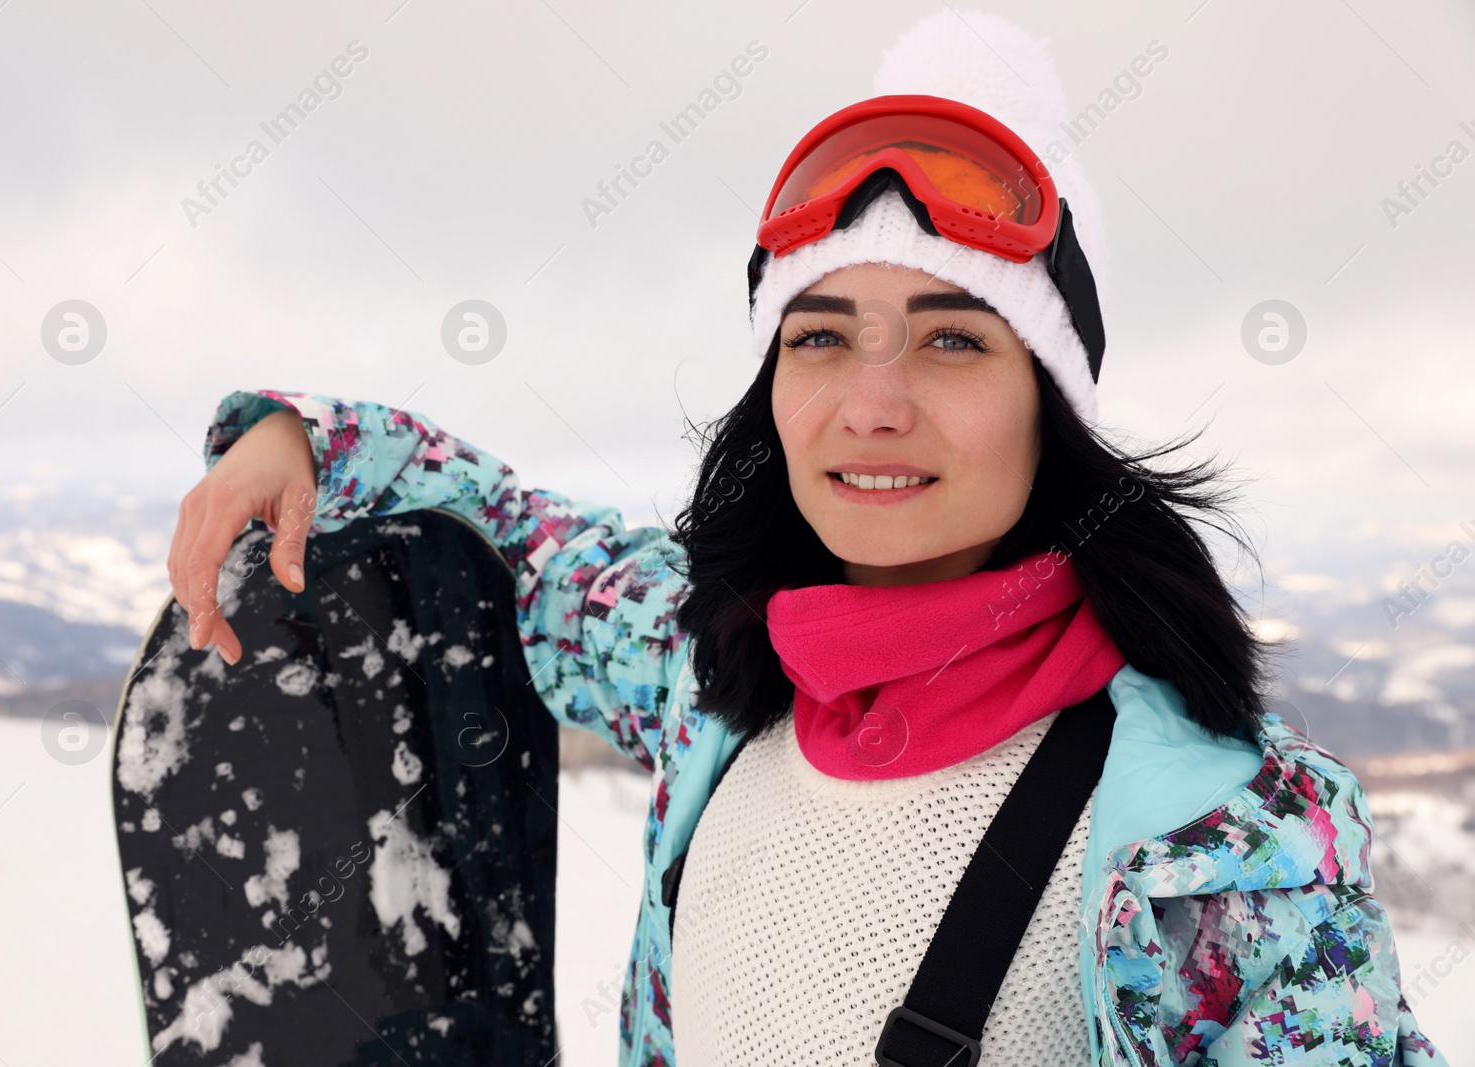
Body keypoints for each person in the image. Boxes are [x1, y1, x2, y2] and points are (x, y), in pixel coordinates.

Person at [166, 11, 1441, 1066]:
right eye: (819, 335)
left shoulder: (1221, 842)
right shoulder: (713, 678)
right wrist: (310, 439)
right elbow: (521, 546)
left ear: (1050, 407)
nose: (868, 403)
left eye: (953, 337)